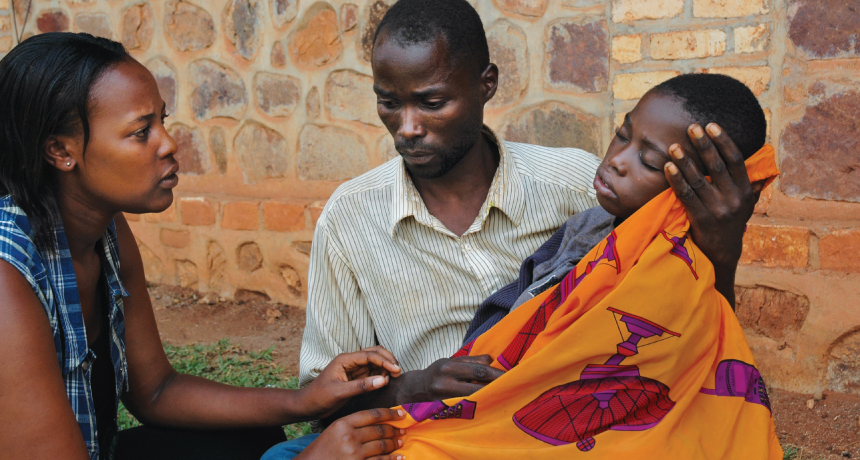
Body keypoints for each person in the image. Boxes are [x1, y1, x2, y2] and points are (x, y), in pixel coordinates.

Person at [298, 0, 759, 418]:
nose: (408, 127)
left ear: (487, 84)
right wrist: (412, 387)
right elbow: (322, 399)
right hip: (429, 436)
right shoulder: (350, 218)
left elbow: (690, 334)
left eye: (432, 103)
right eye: (388, 103)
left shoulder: (582, 187)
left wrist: (721, 251)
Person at [0, 32, 407, 460]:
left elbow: (156, 391)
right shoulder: (9, 274)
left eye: (162, 120)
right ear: (60, 150)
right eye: (141, 132)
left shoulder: (106, 231)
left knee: (251, 436)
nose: (169, 143)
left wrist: (304, 401)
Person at [380, 73, 781, 459]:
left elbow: (696, 352)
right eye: (622, 134)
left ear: (704, 188)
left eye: (649, 161)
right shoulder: (588, 227)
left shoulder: (678, 269)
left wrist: (721, 251)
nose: (617, 160)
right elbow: (520, 304)